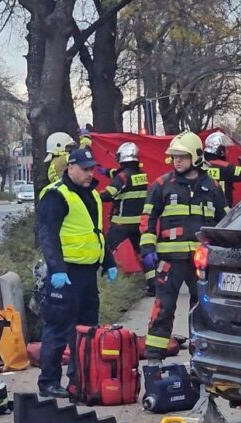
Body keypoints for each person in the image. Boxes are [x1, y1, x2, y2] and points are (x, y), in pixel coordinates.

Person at [36, 147, 118, 398]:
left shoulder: (91, 193)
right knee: (58, 329)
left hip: (87, 274)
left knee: (86, 331)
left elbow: (96, 232)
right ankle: (48, 383)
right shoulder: (56, 196)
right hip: (65, 275)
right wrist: (57, 270)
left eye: (91, 168)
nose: (88, 173)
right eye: (84, 169)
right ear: (70, 167)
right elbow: (47, 236)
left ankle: (79, 380)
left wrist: (108, 260)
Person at [140, 131, 227, 365]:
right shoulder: (161, 185)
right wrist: (148, 249)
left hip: (202, 261)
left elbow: (224, 221)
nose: (177, 161)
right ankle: (154, 359)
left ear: (196, 157)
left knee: (202, 308)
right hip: (170, 259)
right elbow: (147, 218)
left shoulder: (212, 187)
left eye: (182, 156)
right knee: (163, 307)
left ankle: (200, 356)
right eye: (175, 156)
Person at [102, 142, 155, 294]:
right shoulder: (141, 176)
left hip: (121, 223)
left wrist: (93, 195)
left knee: (105, 252)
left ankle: (105, 284)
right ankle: (153, 286)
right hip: (138, 224)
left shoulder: (123, 176)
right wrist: (106, 171)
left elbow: (109, 194)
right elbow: (121, 175)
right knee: (143, 253)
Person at [202, 131, 241, 207]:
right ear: (220, 149)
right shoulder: (226, 167)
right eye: (224, 148)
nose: (227, 151)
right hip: (222, 209)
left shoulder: (201, 166)